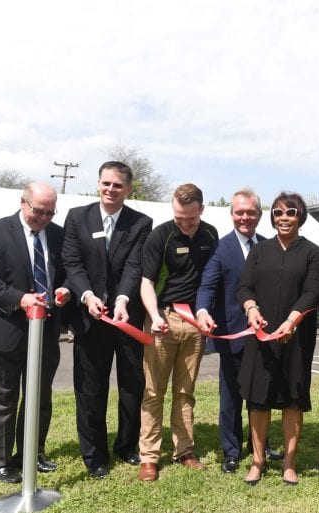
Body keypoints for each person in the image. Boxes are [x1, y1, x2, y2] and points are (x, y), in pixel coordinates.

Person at [0, 182, 71, 483]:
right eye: (39, 211)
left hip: (46, 330)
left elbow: (65, 273)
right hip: (3, 330)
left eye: (50, 213)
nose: (44, 218)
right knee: (2, 398)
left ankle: (32, 453)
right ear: (23, 202)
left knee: (39, 397)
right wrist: (19, 298)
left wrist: (65, 289)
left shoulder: (57, 234)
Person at [63, 161, 153, 479]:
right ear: (98, 184)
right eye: (106, 183)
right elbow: (72, 262)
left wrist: (123, 299)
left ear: (128, 189)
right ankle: (95, 454)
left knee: (131, 386)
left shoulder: (141, 222)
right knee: (90, 389)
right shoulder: (77, 217)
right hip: (89, 318)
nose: (110, 189)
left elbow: (134, 265)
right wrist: (87, 295)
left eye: (117, 185)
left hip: (125, 317)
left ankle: (126, 446)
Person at [236, 191, 319, 486]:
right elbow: (244, 287)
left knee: (292, 399)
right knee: (258, 400)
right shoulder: (260, 251)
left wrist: (291, 321)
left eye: (290, 212)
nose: (284, 218)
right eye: (278, 213)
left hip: (296, 337)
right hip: (261, 336)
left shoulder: (314, 253)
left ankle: (289, 462)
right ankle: (258, 461)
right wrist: (251, 309)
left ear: (301, 216)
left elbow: (312, 292)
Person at [196, 188, 281, 474]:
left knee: (262, 392)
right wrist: (203, 310)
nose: (245, 217)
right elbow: (207, 285)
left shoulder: (271, 246)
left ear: (259, 214)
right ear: (231, 214)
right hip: (232, 335)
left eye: (251, 212)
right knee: (230, 396)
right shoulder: (222, 248)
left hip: (264, 335)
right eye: (239, 212)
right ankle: (231, 451)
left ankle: (261, 444)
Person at [136, 184, 218, 482]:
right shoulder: (161, 235)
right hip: (164, 319)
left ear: (201, 210)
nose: (184, 224)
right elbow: (146, 282)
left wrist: (205, 313)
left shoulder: (210, 235)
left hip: (195, 322)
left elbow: (211, 280)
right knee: (154, 391)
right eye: (179, 217)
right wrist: (155, 316)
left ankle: (184, 451)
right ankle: (149, 457)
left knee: (185, 392)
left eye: (190, 219)